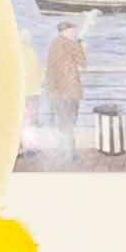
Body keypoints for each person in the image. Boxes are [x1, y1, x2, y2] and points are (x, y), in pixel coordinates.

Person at [42, 20, 88, 161]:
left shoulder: (54, 44)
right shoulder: (70, 44)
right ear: (66, 31)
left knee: (63, 123)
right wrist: (82, 47)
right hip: (69, 91)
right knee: (70, 122)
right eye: (73, 31)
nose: (74, 33)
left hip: (56, 92)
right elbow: (83, 63)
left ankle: (64, 152)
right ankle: (70, 154)